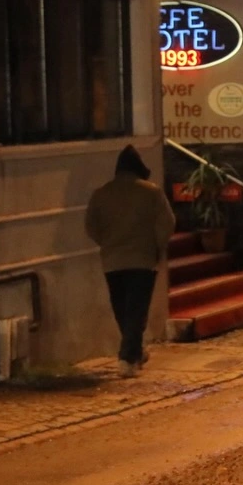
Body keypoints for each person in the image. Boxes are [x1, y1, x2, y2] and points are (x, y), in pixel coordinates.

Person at [85, 145, 176, 378]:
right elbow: (166, 223)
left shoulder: (102, 193)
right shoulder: (152, 192)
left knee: (122, 309)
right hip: (142, 259)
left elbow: (91, 226)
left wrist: (106, 242)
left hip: (112, 260)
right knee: (137, 309)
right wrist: (157, 246)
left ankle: (134, 352)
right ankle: (127, 357)